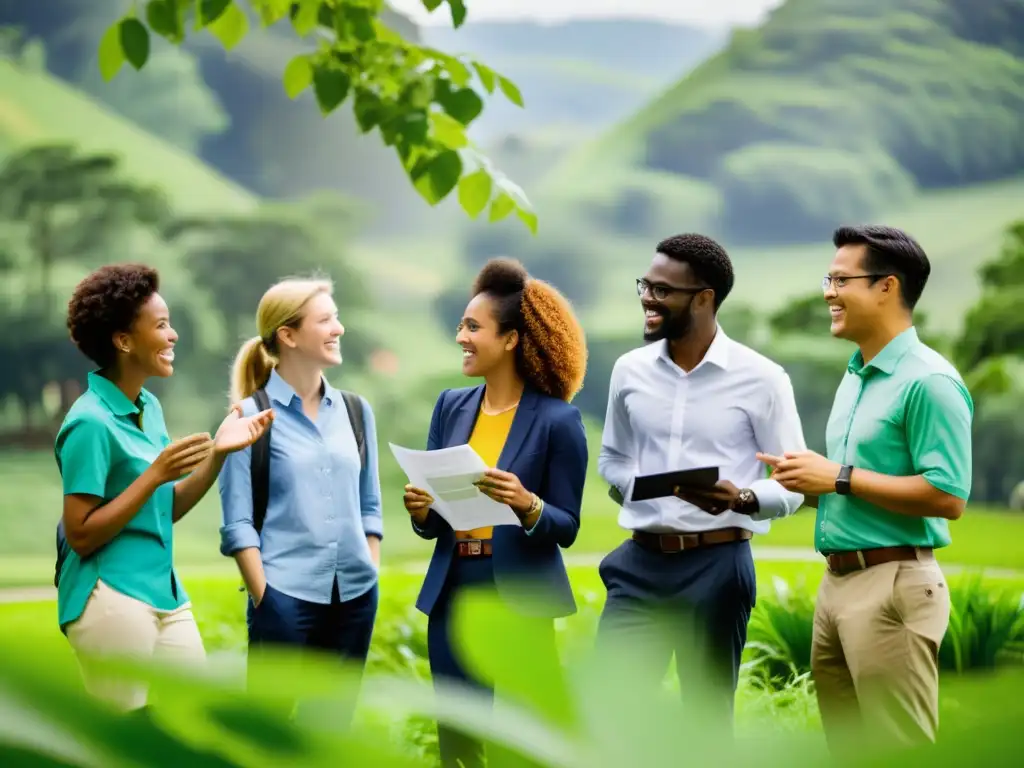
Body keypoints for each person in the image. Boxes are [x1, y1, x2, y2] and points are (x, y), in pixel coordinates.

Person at [758, 225, 972, 754]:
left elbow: (948, 495)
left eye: (840, 279)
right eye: (827, 278)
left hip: (894, 585)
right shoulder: (856, 377)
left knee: (898, 753)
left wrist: (837, 476)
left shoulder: (929, 382)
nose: (828, 292)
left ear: (887, 287)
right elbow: (847, 488)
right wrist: (780, 487)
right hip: (838, 585)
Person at [595, 234, 808, 730]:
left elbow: (795, 482)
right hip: (639, 564)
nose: (648, 298)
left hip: (719, 565)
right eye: (645, 285)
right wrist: (640, 486)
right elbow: (612, 456)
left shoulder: (763, 378)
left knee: (706, 723)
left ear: (704, 298)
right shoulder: (629, 371)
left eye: (663, 290)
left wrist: (746, 497)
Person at [56, 263, 272, 713]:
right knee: (124, 739)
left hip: (166, 594)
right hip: (110, 595)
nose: (173, 335)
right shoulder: (89, 423)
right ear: (123, 341)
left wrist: (218, 453)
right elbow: (80, 533)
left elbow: (163, 509)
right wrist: (154, 473)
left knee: (191, 724)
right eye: (161, 325)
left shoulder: (148, 407)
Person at [402, 257, 589, 768]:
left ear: (510, 340)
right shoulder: (450, 406)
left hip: (519, 595)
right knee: (458, 740)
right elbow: (435, 519)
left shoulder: (558, 420)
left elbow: (567, 526)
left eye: (472, 327)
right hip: (453, 588)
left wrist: (528, 504)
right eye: (462, 325)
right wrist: (422, 511)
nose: (461, 336)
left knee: (521, 741)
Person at [217, 277, 383, 707]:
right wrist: (266, 599)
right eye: (326, 319)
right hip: (284, 598)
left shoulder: (356, 411)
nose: (339, 328)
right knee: (270, 742)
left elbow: (370, 507)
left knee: (330, 735)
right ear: (288, 335)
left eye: (337, 317)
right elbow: (237, 524)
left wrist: (371, 569)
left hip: (355, 597)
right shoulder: (248, 417)